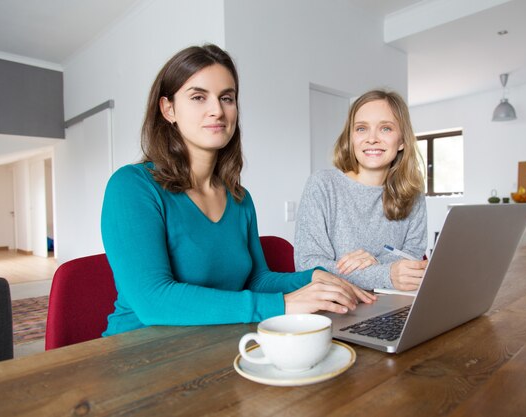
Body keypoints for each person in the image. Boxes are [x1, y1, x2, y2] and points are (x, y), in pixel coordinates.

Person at [100, 44, 374, 337]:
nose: (217, 110)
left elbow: (256, 279)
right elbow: (153, 301)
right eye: (198, 97)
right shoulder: (132, 186)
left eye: (226, 98)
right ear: (168, 109)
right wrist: (282, 304)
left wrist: (314, 278)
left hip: (216, 342)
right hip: (139, 353)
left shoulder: (239, 198)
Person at [294, 90, 428, 291]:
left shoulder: (413, 194)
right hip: (337, 305)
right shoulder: (322, 185)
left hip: (394, 304)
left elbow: (410, 263)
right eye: (361, 128)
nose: (372, 139)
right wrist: (386, 273)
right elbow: (309, 266)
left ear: (402, 141)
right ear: (351, 138)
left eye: (385, 128)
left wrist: (371, 262)